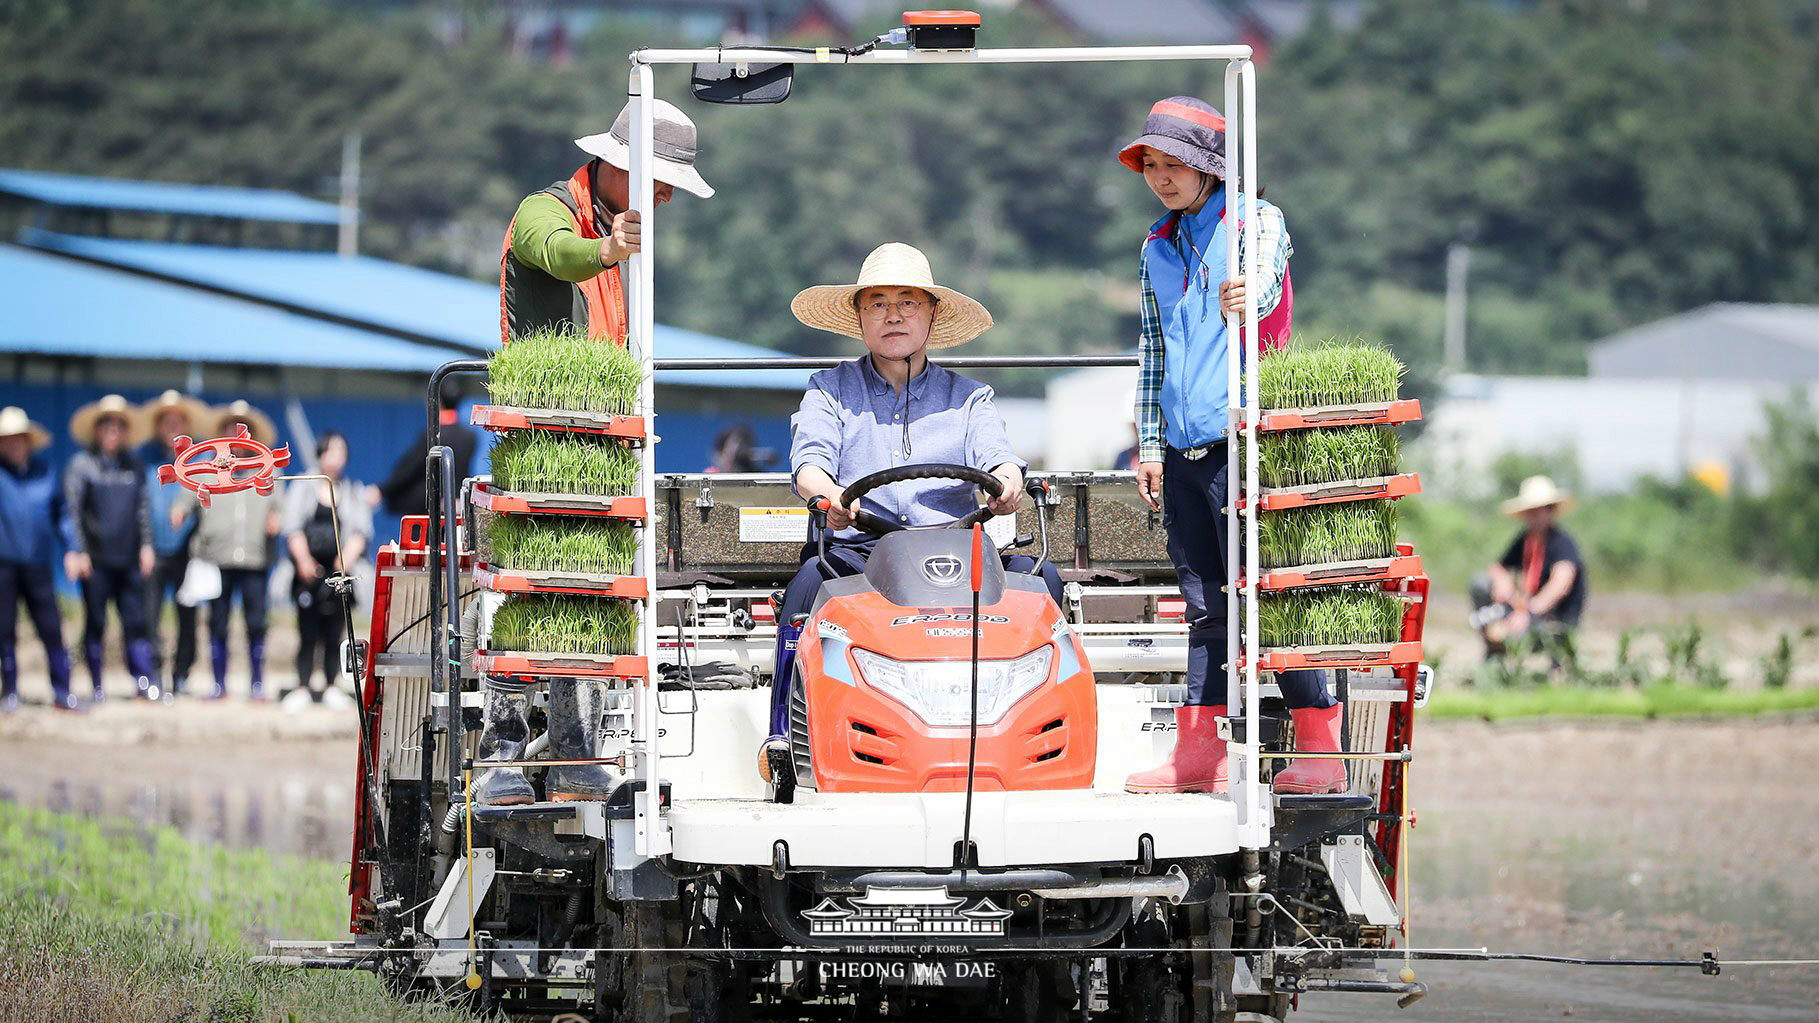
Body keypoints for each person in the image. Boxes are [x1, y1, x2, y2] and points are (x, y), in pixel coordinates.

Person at [1114, 97, 1345, 796]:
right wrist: (1148, 443)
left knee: (1268, 598)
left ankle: (1318, 752)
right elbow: (1152, 350)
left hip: (1241, 441)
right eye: (1150, 164)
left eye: (1173, 163)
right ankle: (1197, 753)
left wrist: (1247, 291)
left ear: (1209, 168)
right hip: (1181, 451)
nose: (1160, 176)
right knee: (1205, 602)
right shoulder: (1156, 246)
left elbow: (1265, 279)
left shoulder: (1254, 221)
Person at [759, 242, 1063, 762]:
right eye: (877, 303)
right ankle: (782, 731)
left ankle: (1044, 727)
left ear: (931, 313)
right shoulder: (829, 390)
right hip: (860, 549)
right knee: (807, 585)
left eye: (907, 302)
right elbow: (808, 461)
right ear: (858, 317)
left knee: (1043, 581)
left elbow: (999, 457)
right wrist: (827, 494)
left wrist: (1008, 480)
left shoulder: (971, 397)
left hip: (955, 551)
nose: (893, 315)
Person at [499, 98, 713, 343]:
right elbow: (557, 252)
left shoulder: (628, 236)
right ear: (617, 164)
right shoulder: (541, 210)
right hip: (542, 383)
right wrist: (608, 249)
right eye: (660, 179)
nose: (667, 196)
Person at [175, 400, 281, 700]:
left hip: (255, 559)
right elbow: (186, 498)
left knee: (257, 623)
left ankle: (257, 684)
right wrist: (179, 511)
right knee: (218, 622)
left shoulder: (264, 470)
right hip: (215, 559)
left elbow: (277, 504)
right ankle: (219, 684)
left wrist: (276, 518)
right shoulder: (206, 472)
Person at [62, 394, 157, 701]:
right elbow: (72, 512)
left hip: (129, 558)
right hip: (96, 560)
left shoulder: (135, 466)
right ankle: (97, 686)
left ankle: (144, 682)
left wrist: (146, 546)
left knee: (136, 621)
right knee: (96, 622)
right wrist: (78, 550)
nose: (113, 429)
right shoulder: (81, 466)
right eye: (107, 424)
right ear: (97, 429)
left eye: (119, 424)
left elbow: (143, 510)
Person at [284, 430, 372, 703]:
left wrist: (345, 559)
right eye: (331, 451)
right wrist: (303, 560)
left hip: (339, 572)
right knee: (307, 630)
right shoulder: (303, 485)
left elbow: (361, 531)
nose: (336, 457)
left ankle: (332, 684)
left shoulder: (352, 489)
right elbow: (292, 526)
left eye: (341, 452)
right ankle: (302, 685)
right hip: (307, 571)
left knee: (336, 629)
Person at [0, 407, 78, 712]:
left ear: (28, 441)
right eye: (7, 439)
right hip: (3, 566)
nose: (14, 444)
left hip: (38, 565)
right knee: (4, 630)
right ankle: (11, 693)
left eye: (18, 438)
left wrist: (73, 548)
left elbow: (63, 516)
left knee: (51, 628)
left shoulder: (46, 473)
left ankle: (62, 692)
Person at [1471, 475, 1586, 665]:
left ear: (1550, 511)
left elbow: (1561, 583)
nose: (1533, 516)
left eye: (1538, 510)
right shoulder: (1526, 540)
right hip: (1525, 611)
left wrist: (1529, 612)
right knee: (1480, 583)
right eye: (1530, 511)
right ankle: (1494, 655)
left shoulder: (1562, 543)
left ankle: (1546, 662)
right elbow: (1498, 566)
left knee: (1514, 635)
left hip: (1555, 620)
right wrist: (1503, 582)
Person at [140, 390, 209, 697]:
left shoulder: (199, 459)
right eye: (166, 422)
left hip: (188, 553)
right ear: (158, 425)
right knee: (150, 616)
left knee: (187, 616)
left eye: (177, 422)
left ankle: (181, 673)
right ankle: (153, 674)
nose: (171, 427)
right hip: (153, 551)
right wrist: (144, 544)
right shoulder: (143, 459)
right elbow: (140, 505)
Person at [369, 376, 478, 518]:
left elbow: (408, 470)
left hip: (431, 510)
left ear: (436, 401)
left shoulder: (432, 436)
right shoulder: (470, 437)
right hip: (456, 507)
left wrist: (382, 490)